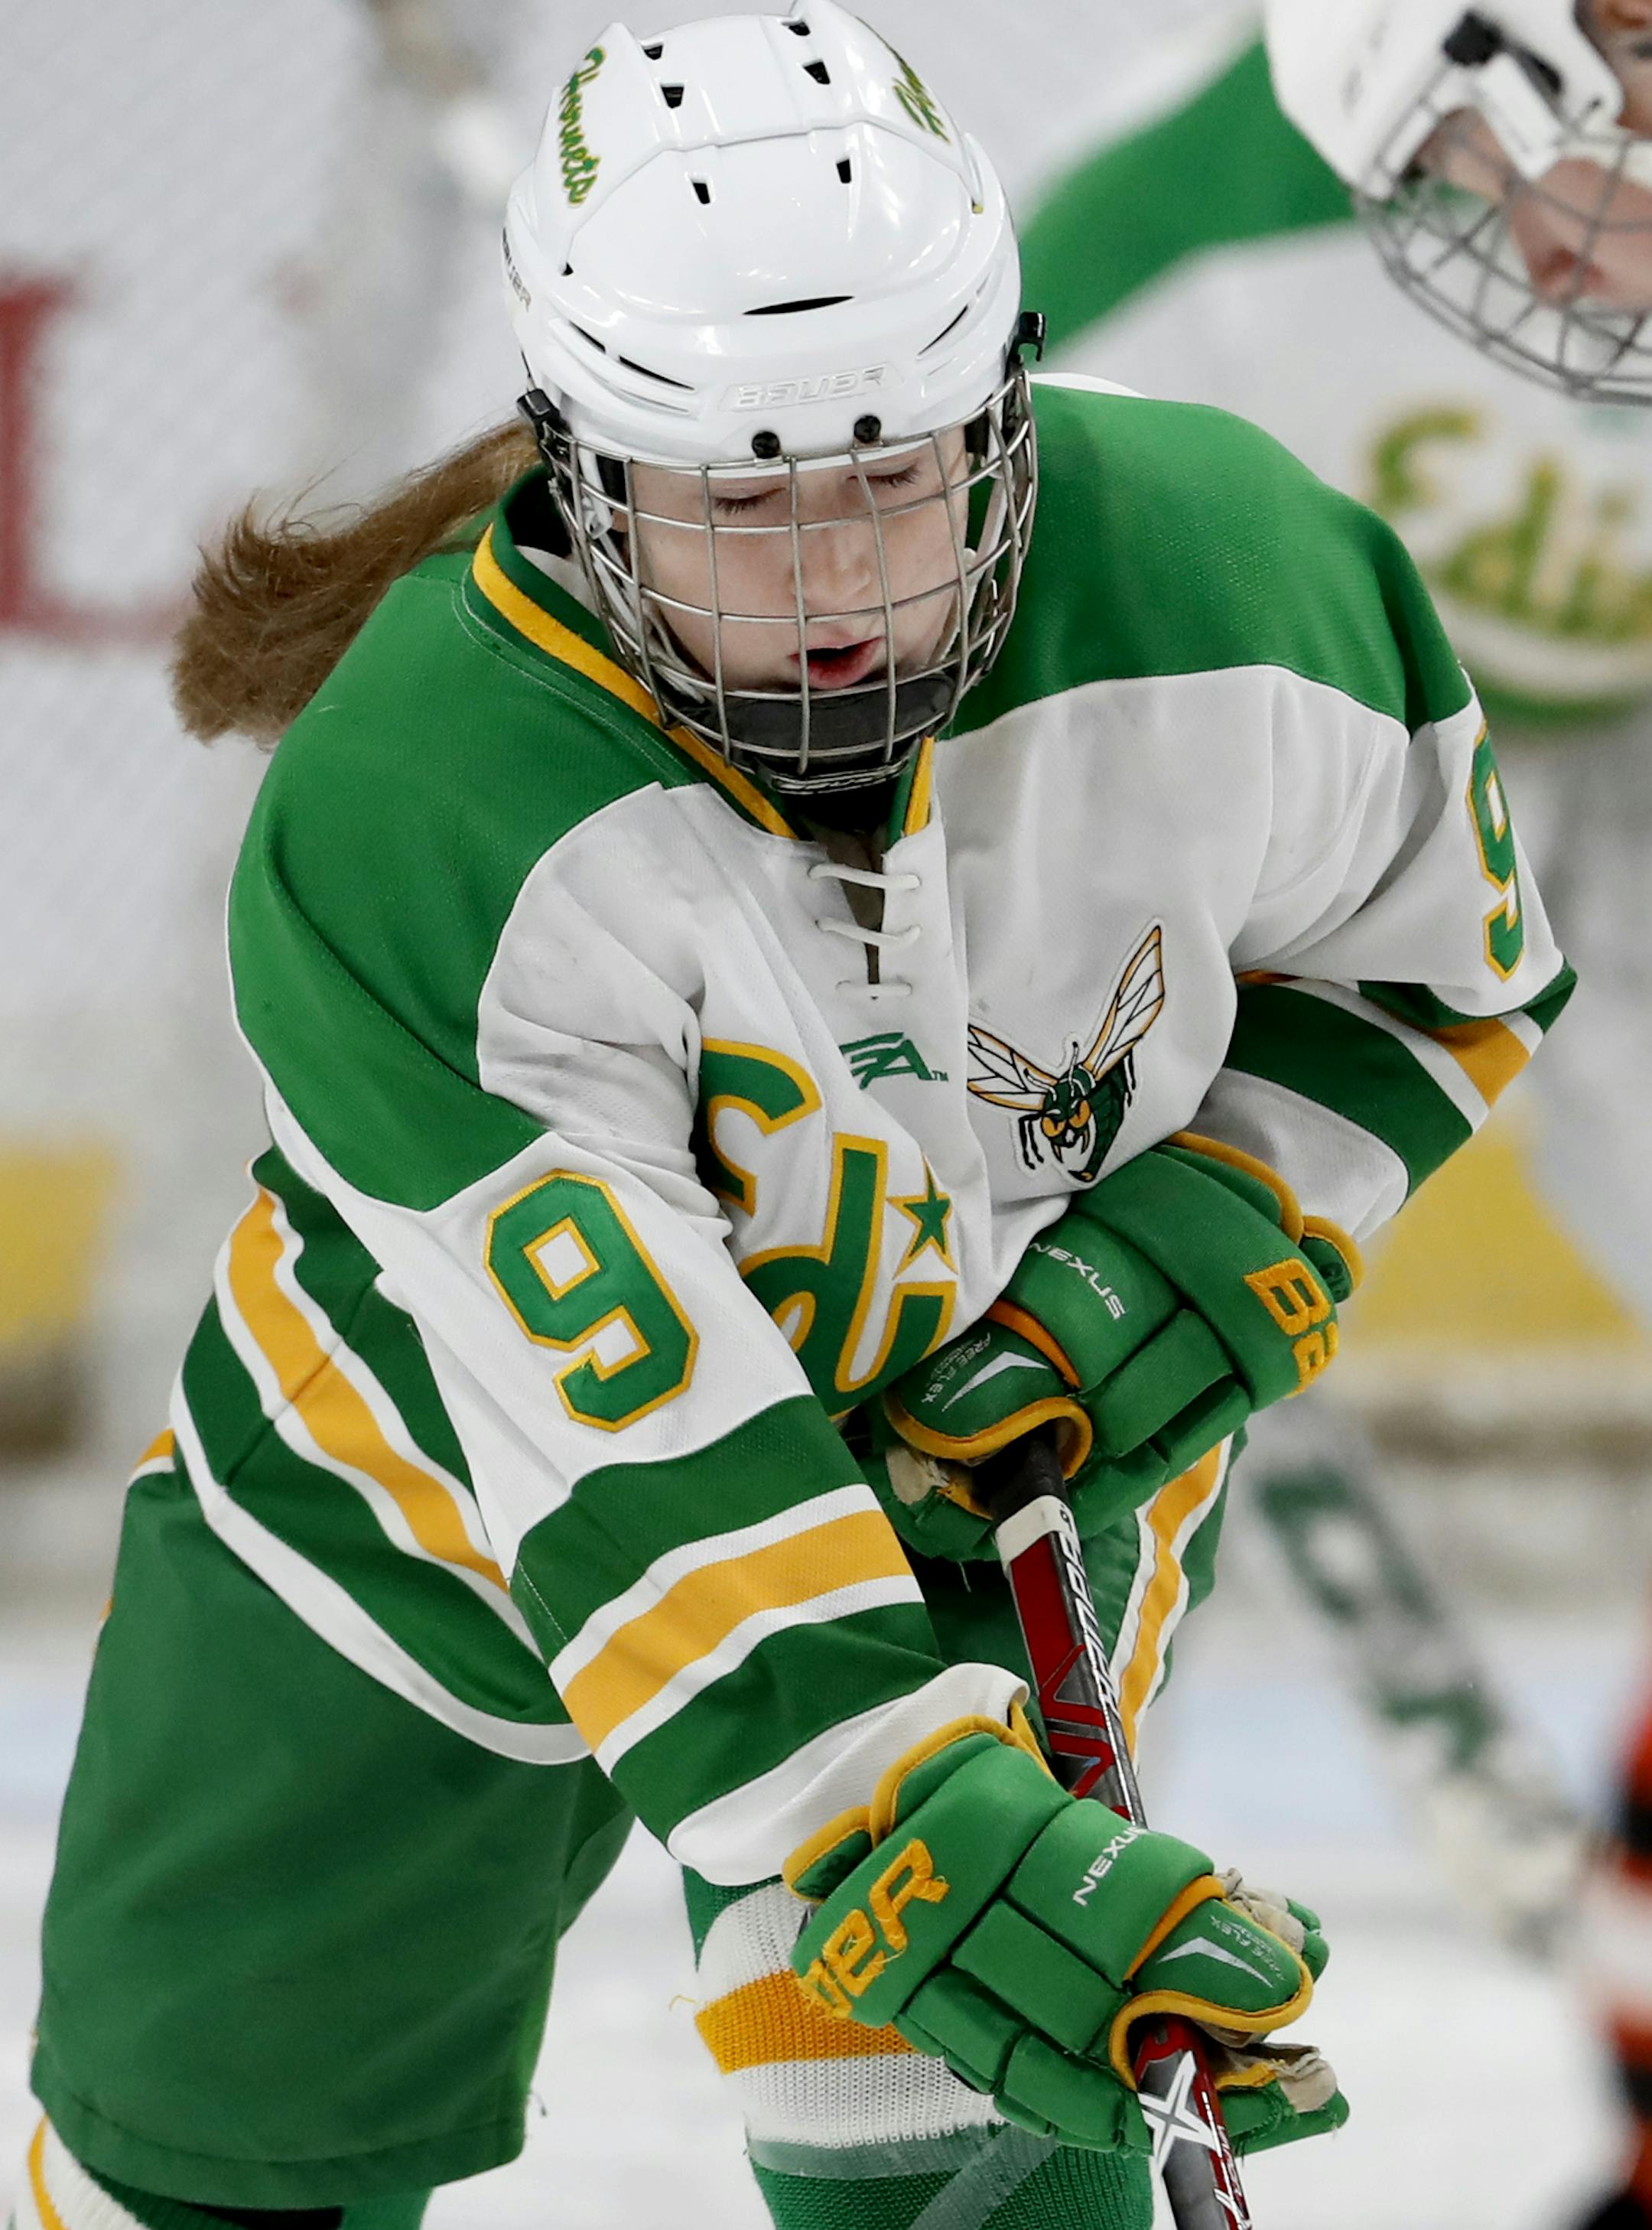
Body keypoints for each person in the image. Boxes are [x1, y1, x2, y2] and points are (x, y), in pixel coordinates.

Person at [9, 7, 1575, 2230]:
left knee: (965, 2169)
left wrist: (1197, 1260)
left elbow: (1436, 955)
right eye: (746, 509)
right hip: (426, 1468)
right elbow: (644, 1472)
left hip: (995, 1446)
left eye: (894, 483)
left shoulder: (1240, 588)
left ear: (1004, 409)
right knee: (206, 2156)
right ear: (580, 468)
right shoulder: (423, 818)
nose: (839, 590)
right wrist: (899, 1821)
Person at [1015, 2, 1652, 2222]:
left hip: (1622, 740)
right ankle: (1041, 1883)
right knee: (1057, 1347)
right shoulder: (1174, 247)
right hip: (1280, 745)